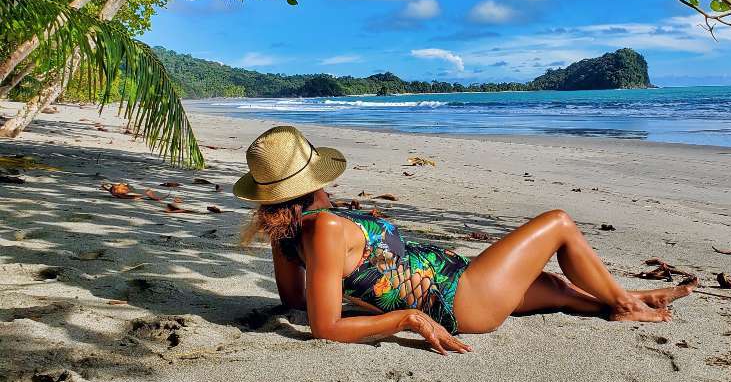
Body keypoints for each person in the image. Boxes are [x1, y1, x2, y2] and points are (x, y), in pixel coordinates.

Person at [236, 126, 697, 354]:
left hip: (461, 288)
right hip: (459, 297)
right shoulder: (324, 228)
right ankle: (625, 303)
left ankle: (621, 299)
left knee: (555, 289)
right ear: (315, 178)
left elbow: (296, 300)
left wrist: (355, 292)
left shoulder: (288, 232)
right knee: (558, 223)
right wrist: (407, 318)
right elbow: (323, 328)